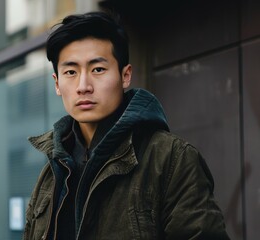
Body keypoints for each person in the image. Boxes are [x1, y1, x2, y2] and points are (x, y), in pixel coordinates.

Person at [23, 11, 230, 240]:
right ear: (57, 83)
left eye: (98, 69)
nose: (83, 86)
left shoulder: (170, 159)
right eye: (71, 72)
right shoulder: (52, 173)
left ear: (125, 75)